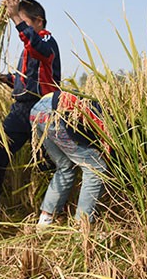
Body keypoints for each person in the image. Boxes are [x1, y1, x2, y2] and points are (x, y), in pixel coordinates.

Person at [0, 0, 61, 213]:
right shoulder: (29, 47)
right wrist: (4, 78)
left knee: (47, 163)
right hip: (20, 110)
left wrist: (15, 15)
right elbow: (26, 80)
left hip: (41, 110)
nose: (20, 28)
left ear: (39, 22)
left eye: (24, 22)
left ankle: (50, 211)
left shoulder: (46, 42)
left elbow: (35, 46)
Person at [30, 90, 108, 227]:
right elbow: (106, 139)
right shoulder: (106, 116)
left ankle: (45, 222)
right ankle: (82, 226)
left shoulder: (95, 102)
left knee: (66, 166)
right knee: (95, 168)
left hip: (37, 110)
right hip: (56, 111)